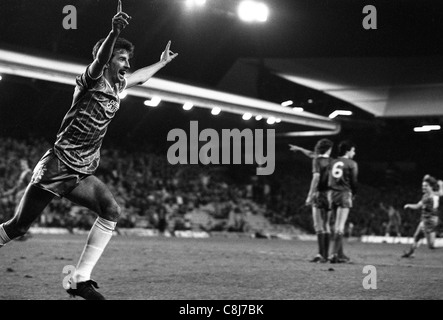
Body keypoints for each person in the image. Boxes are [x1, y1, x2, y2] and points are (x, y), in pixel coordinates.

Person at [0, 0, 178, 300]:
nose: (127, 65)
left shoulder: (117, 89)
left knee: (111, 210)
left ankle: (80, 279)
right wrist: (113, 32)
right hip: (57, 167)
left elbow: (141, 77)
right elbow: (99, 61)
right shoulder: (90, 80)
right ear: (107, 60)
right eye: (121, 59)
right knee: (17, 227)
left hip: (82, 170)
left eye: (127, 60)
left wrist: (162, 62)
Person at [303, 139, 334, 263]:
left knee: (318, 225)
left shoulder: (316, 161)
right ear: (329, 149)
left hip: (320, 194)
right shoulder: (333, 161)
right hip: (331, 195)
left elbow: (316, 177)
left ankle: (321, 254)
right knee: (327, 225)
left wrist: (310, 195)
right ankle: (326, 255)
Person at [328, 140, 358, 264]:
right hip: (344, 194)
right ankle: (334, 254)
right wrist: (354, 194)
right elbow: (354, 181)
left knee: (336, 225)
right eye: (353, 150)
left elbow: (329, 179)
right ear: (348, 150)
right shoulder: (351, 163)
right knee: (340, 227)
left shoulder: (333, 162)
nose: (354, 153)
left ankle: (340, 254)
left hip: (332, 194)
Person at [401, 175, 441, 258]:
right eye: (423, 185)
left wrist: (408, 205)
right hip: (427, 220)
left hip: (429, 221)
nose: (423, 187)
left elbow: (417, 206)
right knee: (416, 236)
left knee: (431, 246)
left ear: (431, 187)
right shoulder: (432, 195)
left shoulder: (428, 197)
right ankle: (411, 253)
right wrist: (440, 185)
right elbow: (440, 193)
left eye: (426, 186)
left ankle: (411, 252)